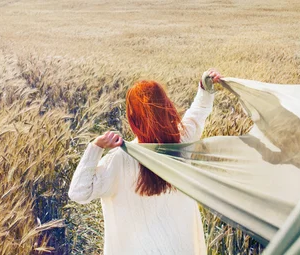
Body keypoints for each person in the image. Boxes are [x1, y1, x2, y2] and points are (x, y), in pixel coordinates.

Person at [68, 69, 222, 255]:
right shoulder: (182, 143)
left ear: (132, 119)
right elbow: (198, 112)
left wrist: (95, 147)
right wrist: (204, 88)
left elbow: (78, 192)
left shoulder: (120, 160)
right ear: (167, 107)